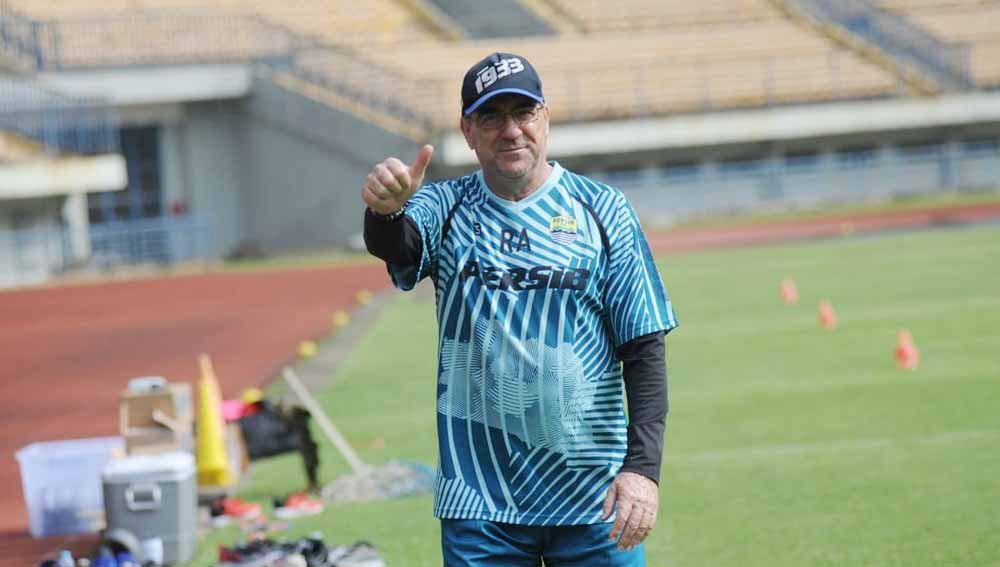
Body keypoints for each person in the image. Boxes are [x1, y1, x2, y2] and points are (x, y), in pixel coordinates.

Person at [361, 52, 678, 566]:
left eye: (523, 113)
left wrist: (642, 471)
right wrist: (385, 210)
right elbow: (398, 246)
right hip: (480, 504)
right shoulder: (445, 207)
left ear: (545, 118)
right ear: (468, 130)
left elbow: (643, 348)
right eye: (492, 116)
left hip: (594, 497)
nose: (511, 131)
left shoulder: (603, 211)